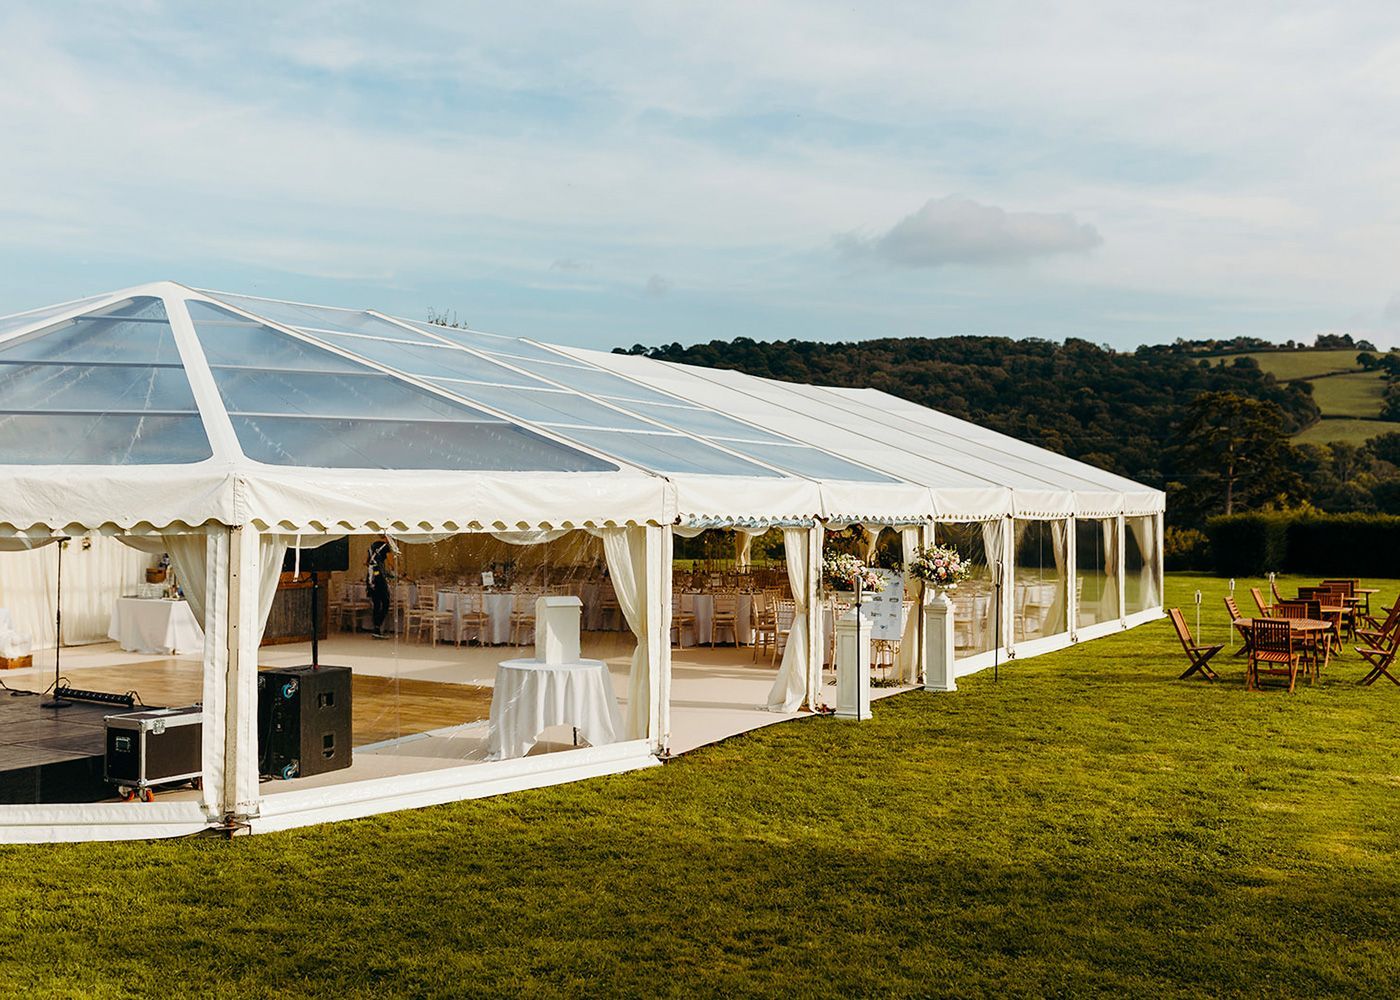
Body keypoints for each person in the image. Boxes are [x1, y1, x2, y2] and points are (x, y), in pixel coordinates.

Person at [366, 534, 395, 639]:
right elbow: (392, 563)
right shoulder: (385, 547)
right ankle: (377, 627)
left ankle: (376, 629)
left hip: (371, 577)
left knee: (376, 603)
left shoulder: (371, 546)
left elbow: (366, 562)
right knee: (386, 602)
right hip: (379, 578)